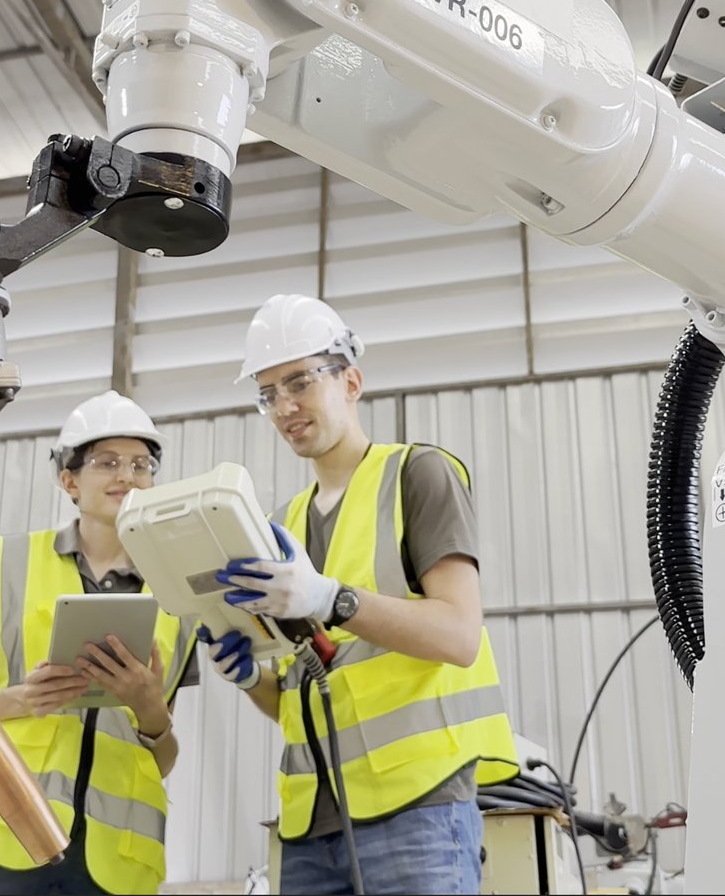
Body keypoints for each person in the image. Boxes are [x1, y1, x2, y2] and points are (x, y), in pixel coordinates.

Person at [203, 294, 518, 895]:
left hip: (417, 810)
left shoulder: (418, 475)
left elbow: (458, 636)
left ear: (351, 380)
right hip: (308, 824)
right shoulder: (279, 526)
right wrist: (250, 681)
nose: (284, 406)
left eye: (299, 381)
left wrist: (331, 600)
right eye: (267, 393)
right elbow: (301, 696)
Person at [0, 391, 198, 896]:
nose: (127, 476)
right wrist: (18, 699)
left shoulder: (177, 594)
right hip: (4, 839)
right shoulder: (11, 563)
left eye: (141, 464)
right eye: (106, 462)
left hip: (117, 867)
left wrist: (150, 712)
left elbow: (161, 757)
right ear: (69, 480)